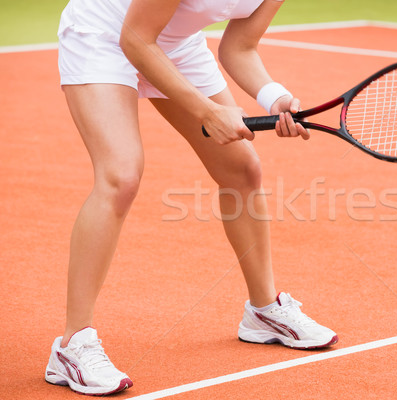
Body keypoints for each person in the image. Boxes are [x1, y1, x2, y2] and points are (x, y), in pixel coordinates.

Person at [44, 0, 338, 395]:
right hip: (106, 34)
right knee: (121, 175)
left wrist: (275, 99)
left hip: (173, 43)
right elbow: (135, 38)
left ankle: (264, 311)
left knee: (242, 169)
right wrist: (205, 111)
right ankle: (72, 345)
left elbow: (240, 47)